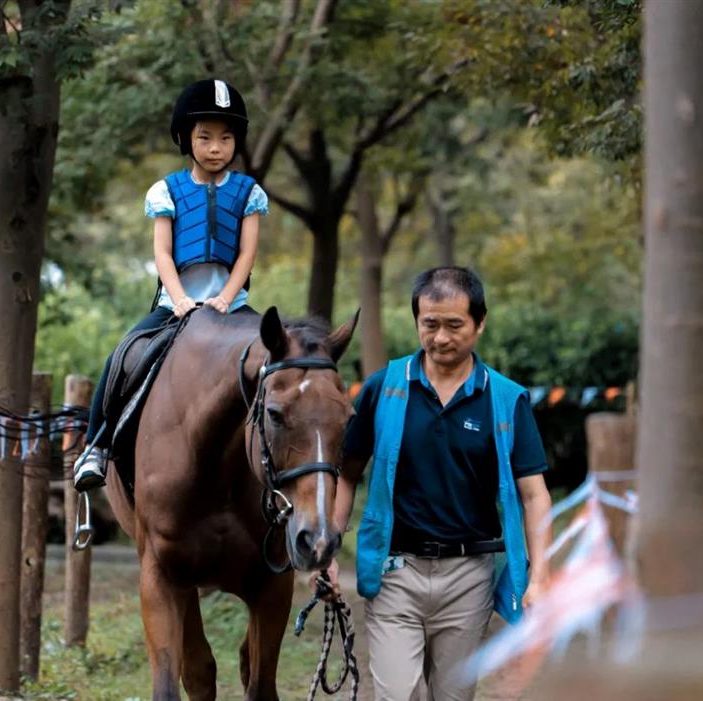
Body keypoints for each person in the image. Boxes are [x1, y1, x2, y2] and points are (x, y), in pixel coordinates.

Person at [321, 267, 553, 700]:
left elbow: (534, 495)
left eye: (454, 325)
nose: (441, 338)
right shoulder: (383, 388)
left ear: (479, 324)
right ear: (416, 322)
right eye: (430, 324)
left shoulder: (506, 399)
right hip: (395, 575)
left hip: (470, 579)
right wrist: (328, 551)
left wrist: (539, 576)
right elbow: (346, 475)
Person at [73, 78, 269, 491]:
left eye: (226, 138)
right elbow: (162, 253)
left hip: (231, 306)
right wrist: (180, 301)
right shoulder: (167, 191)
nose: (216, 147)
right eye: (205, 137)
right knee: (123, 353)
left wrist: (225, 299)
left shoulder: (249, 193)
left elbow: (247, 255)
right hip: (175, 304)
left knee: (273, 360)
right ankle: (97, 445)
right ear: (186, 138)